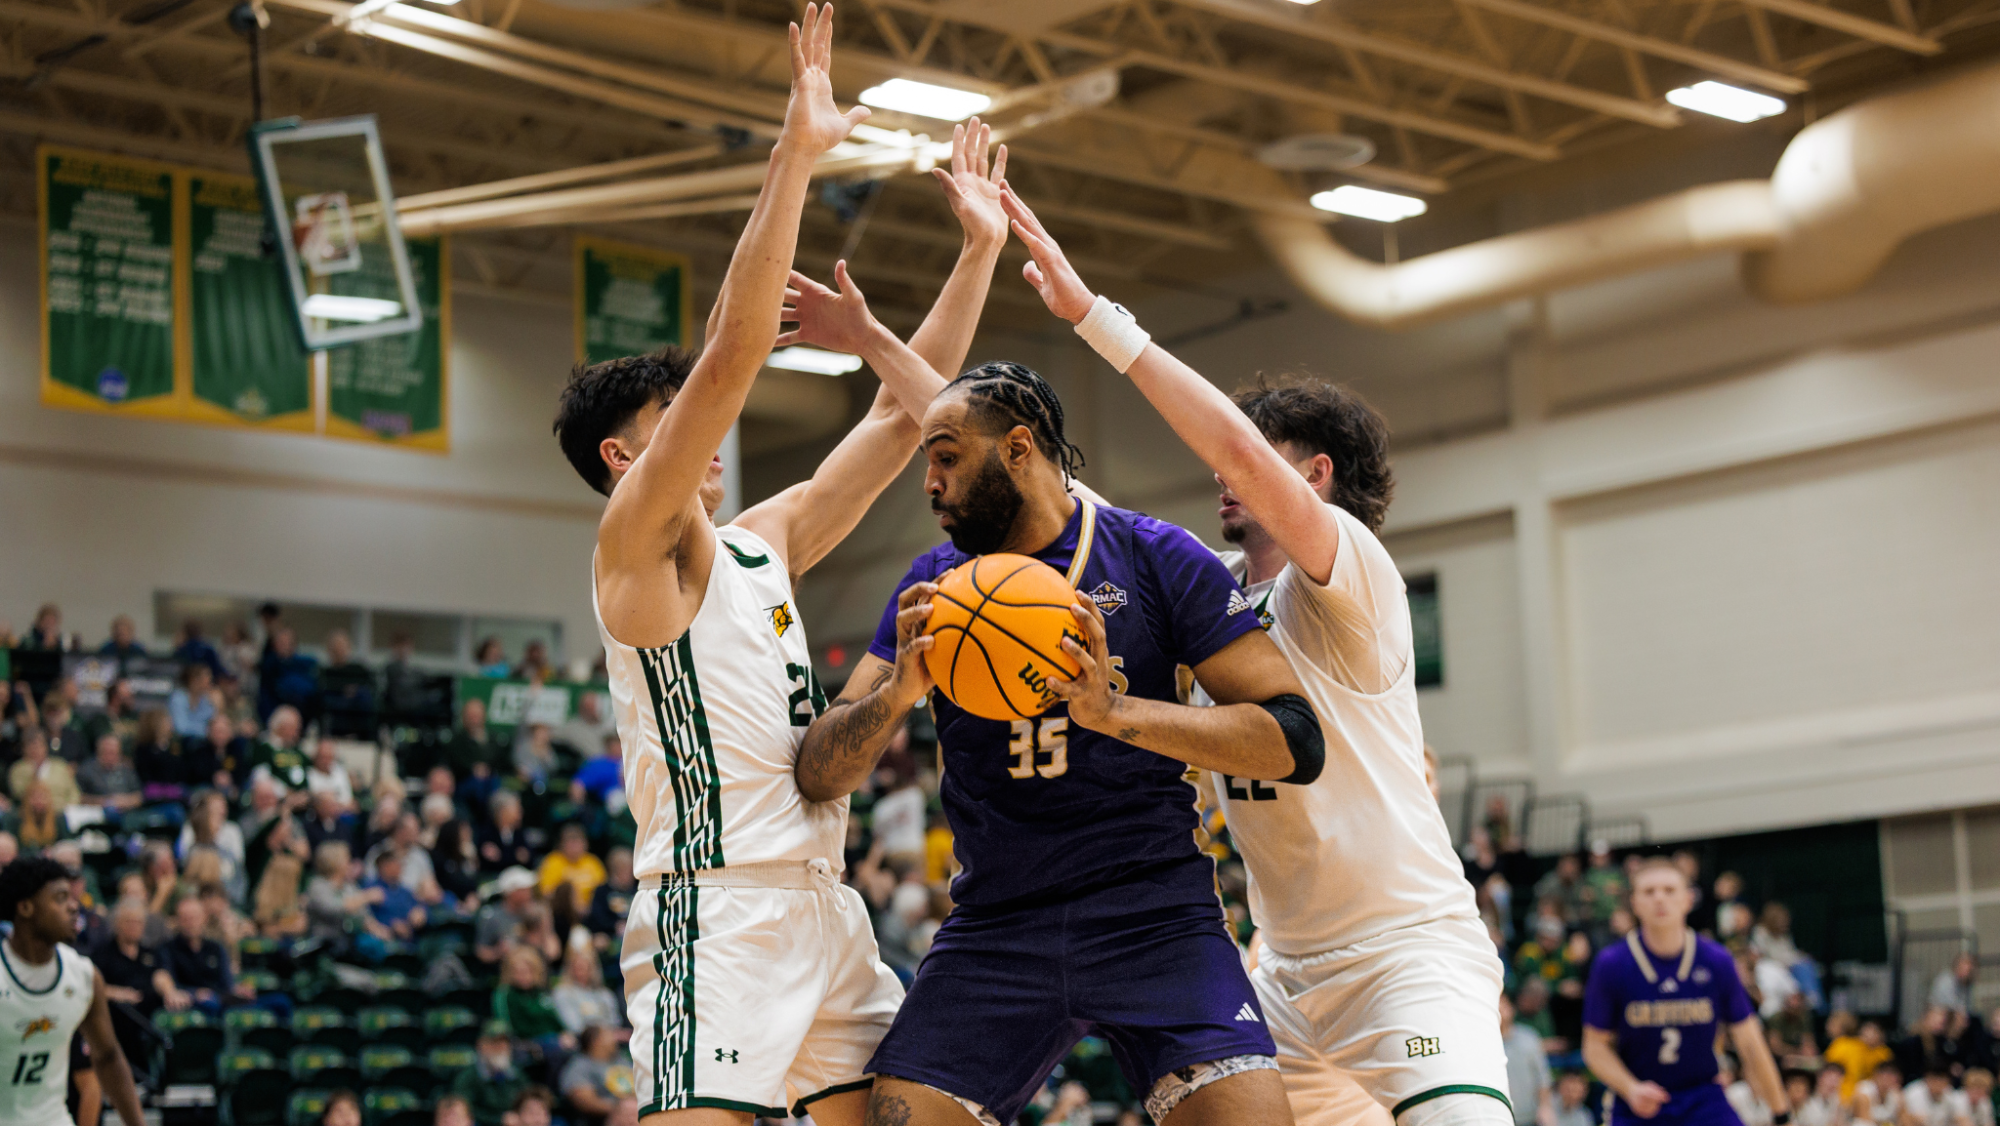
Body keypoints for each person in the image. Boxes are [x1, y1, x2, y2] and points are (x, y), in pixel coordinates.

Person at [554, 17, 1008, 1122]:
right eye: (675, 425)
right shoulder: (633, 549)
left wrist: (977, 253)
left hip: (824, 906)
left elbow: (908, 420)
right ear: (626, 456)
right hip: (715, 915)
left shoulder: (761, 540)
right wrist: (794, 156)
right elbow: (734, 352)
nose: (708, 437)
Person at [1001, 186, 1507, 1126]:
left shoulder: (1352, 569)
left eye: (1255, 460)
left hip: (1406, 956)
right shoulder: (1209, 591)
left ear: (1309, 475)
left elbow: (1231, 441)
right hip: (1283, 972)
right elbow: (1048, 491)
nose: (1220, 472)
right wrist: (885, 354)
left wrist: (1094, 320)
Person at [801, 242, 1323, 1126]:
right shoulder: (932, 586)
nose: (927, 482)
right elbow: (818, 771)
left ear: (1018, 449)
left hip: (1153, 909)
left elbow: (1295, 739)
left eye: (946, 458)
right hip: (999, 920)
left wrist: (1115, 713)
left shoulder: (1156, 558)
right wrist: (895, 696)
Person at [1582, 858, 1792, 1126]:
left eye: (1669, 890)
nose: (1659, 898)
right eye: (1649, 891)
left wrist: (1782, 1114)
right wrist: (1630, 1088)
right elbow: (1594, 1047)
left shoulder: (1716, 960)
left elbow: (1750, 1043)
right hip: (1638, 1102)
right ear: (1634, 902)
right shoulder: (1612, 964)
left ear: (1688, 899)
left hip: (1702, 1098)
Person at [0, 857, 149, 1126]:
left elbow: (108, 1056)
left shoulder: (82, 975)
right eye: (60, 898)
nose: (74, 906)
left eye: (72, 897)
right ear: (25, 907)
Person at [455, 1021, 529, 1126]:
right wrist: (498, 1120)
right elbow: (462, 1112)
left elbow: (528, 1101)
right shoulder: (468, 1077)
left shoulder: (517, 1075)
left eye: (505, 1042)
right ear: (481, 1044)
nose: (501, 1047)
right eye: (495, 1042)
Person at [560, 1027, 637, 1125]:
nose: (615, 1039)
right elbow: (585, 1102)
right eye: (609, 1035)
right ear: (596, 1041)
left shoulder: (621, 1060)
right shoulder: (579, 1066)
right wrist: (622, 1108)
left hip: (634, 1110)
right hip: (604, 1119)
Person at [1501, 994, 1555, 1126]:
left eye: (1503, 1004)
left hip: (1530, 1117)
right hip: (1498, 1117)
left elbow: (1543, 1078)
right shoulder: (1483, 1043)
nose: (1499, 1008)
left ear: (1512, 1008)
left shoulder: (1529, 1037)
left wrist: (1546, 1108)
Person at [552, 948, 622, 1036]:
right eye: (578, 967)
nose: (581, 972)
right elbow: (575, 1026)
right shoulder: (562, 993)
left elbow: (615, 1021)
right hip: (582, 1040)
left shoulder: (605, 993)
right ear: (570, 969)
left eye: (586, 967)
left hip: (609, 1036)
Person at [1828, 1020, 1896, 1104]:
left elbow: (1886, 1078)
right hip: (1842, 1090)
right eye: (1867, 1030)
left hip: (1871, 1093)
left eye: (1874, 1031)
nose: (1869, 1034)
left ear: (1881, 1035)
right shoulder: (1845, 1045)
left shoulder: (1883, 1053)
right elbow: (1829, 1069)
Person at [77, 736, 144, 819]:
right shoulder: (86, 771)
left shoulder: (126, 770)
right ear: (98, 752)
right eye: (106, 752)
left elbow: (139, 797)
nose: (110, 757)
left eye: (114, 753)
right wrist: (103, 801)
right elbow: (79, 798)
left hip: (127, 813)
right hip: (99, 814)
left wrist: (124, 801)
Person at [537, 823, 606, 903]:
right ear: (561, 844)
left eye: (578, 842)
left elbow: (603, 890)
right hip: (562, 907)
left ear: (586, 844)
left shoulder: (593, 862)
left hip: (591, 908)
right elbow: (546, 893)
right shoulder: (552, 861)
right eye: (571, 842)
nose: (575, 847)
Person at [1901, 1067, 1973, 1126]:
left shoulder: (1951, 1094)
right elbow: (1906, 1119)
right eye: (1934, 1080)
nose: (1938, 1084)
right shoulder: (1913, 1092)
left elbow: (1963, 1119)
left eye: (1941, 1080)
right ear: (1926, 1079)